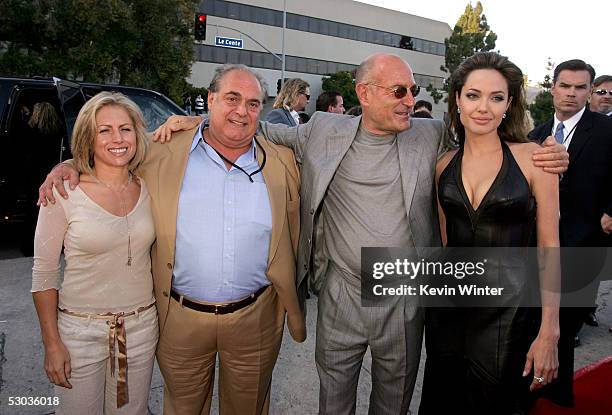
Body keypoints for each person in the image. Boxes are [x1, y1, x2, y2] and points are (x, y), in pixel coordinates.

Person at [153, 54, 569, 414]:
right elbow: (254, 130)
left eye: (413, 91)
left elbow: (486, 139)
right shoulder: (321, 131)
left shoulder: (429, 136)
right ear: (364, 93)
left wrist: (551, 152)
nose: (410, 102)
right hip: (340, 293)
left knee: (395, 401)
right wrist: (197, 121)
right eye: (399, 92)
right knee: (333, 401)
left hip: (405, 297)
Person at [38, 64, 306, 415]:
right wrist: (71, 164)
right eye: (231, 98)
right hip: (180, 319)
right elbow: (114, 151)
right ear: (210, 100)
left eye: (253, 103)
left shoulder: (284, 162)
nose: (242, 111)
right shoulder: (164, 151)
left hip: (255, 318)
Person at [419, 52, 561, 415]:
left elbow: (549, 247)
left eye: (496, 97)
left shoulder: (534, 159)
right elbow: (447, 242)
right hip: (448, 312)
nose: (484, 107)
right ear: (457, 99)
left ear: (509, 103)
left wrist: (549, 331)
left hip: (510, 316)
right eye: (473, 95)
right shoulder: (443, 166)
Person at [32, 91, 157, 414]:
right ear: (88, 136)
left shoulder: (149, 185)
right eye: (105, 130)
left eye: (125, 129)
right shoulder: (64, 192)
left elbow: (187, 138)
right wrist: (52, 344)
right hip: (79, 333)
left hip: (141, 328)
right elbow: (43, 275)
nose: (117, 138)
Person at [528, 59, 612, 407]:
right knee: (536, 326)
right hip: (539, 248)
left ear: (590, 91)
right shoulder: (535, 134)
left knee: (560, 331)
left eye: (581, 88)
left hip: (584, 246)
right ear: (553, 88)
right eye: (566, 86)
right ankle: (532, 395)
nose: (572, 94)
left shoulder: (607, 131)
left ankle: (554, 401)